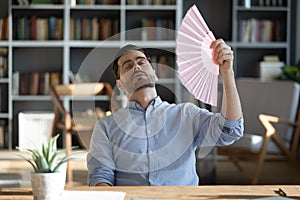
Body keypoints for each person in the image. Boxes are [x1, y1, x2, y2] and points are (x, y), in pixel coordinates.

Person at [87, 39, 244, 186]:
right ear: (119, 85)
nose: (136, 67)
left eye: (141, 62)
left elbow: (230, 130)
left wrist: (227, 72)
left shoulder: (186, 115)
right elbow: (100, 176)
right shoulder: (106, 128)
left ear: (154, 73)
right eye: (127, 66)